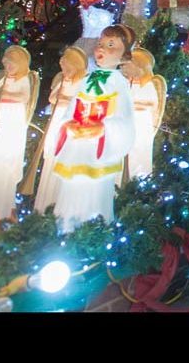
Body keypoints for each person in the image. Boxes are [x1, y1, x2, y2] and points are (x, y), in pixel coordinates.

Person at [52, 25, 136, 232]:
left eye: (111, 45)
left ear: (124, 54)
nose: (102, 49)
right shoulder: (86, 79)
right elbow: (71, 109)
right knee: (72, 187)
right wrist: (68, 125)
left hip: (97, 150)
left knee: (93, 189)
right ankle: (65, 229)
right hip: (77, 147)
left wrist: (102, 129)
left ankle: (91, 234)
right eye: (101, 43)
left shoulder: (120, 84)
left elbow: (125, 122)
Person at [0, 46, 39, 219]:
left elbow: (23, 97)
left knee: (6, 158)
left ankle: (4, 203)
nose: (8, 67)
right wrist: (4, 92)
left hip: (12, 119)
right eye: (6, 64)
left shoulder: (24, 79)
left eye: (11, 64)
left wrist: (5, 94)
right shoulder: (3, 78)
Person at [34, 46, 87, 213]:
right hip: (58, 118)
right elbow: (51, 98)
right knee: (52, 157)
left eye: (66, 67)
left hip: (70, 122)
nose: (64, 70)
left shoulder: (83, 83)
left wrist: (66, 98)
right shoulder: (63, 80)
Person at [124, 47, 166, 179]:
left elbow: (154, 108)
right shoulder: (126, 83)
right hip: (126, 123)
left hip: (142, 124)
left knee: (138, 155)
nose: (124, 68)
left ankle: (138, 182)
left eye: (127, 64)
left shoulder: (153, 83)